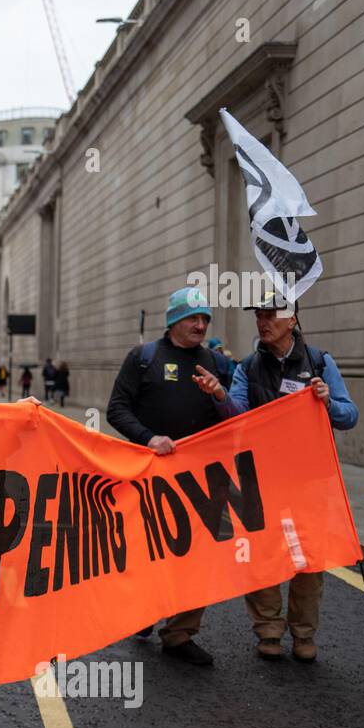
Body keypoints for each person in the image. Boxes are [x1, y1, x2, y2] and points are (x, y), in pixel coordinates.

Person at [217, 291, 358, 662]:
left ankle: (304, 634)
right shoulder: (247, 368)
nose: (263, 322)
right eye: (259, 316)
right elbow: (236, 419)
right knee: (262, 557)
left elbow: (350, 415)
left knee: (308, 561)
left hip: (310, 481)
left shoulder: (320, 362)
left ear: (292, 320)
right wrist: (220, 396)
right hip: (261, 480)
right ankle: (268, 630)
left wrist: (328, 402)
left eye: (271, 315)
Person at [106, 285, 235, 666]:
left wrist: (219, 396)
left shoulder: (217, 362)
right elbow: (116, 409)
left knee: (198, 556)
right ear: (174, 321)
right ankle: (145, 611)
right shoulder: (143, 357)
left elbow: (234, 415)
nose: (199, 325)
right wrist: (149, 438)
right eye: (192, 318)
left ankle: (180, 634)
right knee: (151, 549)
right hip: (151, 475)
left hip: (203, 478)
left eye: (204, 319)